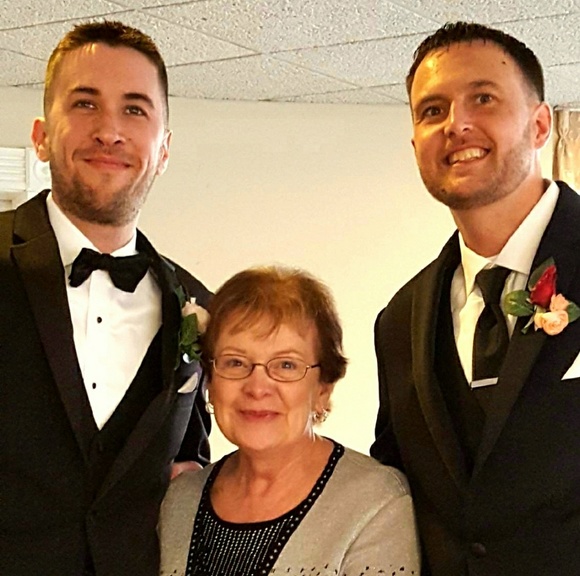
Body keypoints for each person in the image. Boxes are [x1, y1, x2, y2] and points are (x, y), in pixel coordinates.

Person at [0, 21, 212, 576]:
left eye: (135, 109)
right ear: (42, 136)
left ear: (163, 150)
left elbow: (188, 463)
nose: (110, 131)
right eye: (86, 104)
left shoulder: (197, 304)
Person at [370, 21, 580, 576]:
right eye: (432, 110)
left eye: (483, 98)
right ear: (415, 144)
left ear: (540, 124)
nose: (455, 124)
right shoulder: (398, 321)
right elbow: (397, 485)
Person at [159, 266, 421, 575]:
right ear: (211, 382)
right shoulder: (178, 501)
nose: (257, 387)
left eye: (286, 365)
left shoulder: (376, 503)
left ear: (323, 388)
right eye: (235, 362)